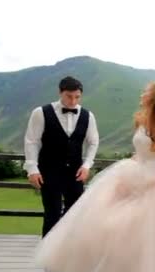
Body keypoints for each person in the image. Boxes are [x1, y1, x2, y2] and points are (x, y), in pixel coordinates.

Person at [35, 81, 155, 272]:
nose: (141, 94)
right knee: (116, 226)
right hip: (135, 173)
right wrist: (134, 160)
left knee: (149, 233)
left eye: (146, 92)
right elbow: (141, 149)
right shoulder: (140, 120)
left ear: (154, 97)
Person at [24, 76, 100, 237]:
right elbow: (32, 141)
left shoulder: (88, 116)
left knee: (74, 214)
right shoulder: (40, 113)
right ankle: (46, 258)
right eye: (69, 96)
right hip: (49, 172)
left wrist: (87, 165)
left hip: (75, 173)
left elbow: (93, 142)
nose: (73, 101)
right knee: (52, 214)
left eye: (77, 97)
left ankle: (66, 253)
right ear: (60, 92)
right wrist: (32, 169)